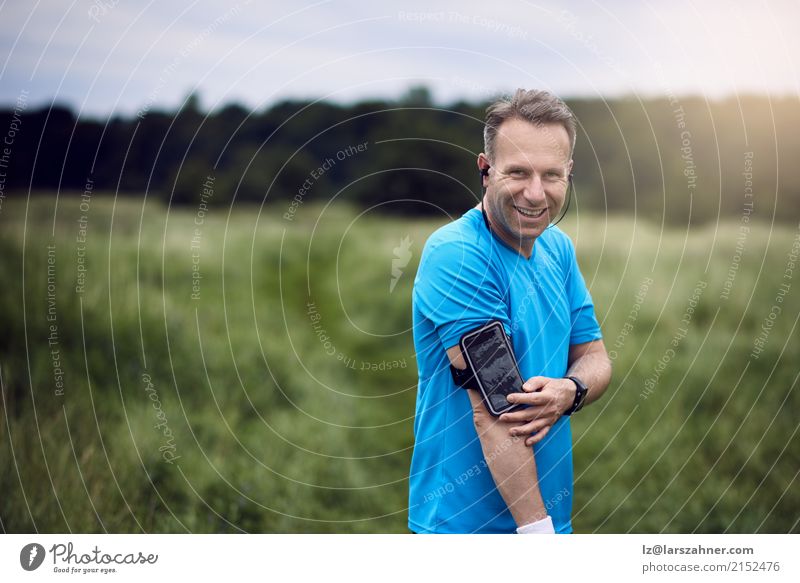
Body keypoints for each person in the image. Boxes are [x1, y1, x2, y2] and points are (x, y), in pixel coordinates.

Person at [408, 89, 612, 534]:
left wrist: (569, 390)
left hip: (545, 519)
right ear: (485, 170)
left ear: (569, 174)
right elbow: (495, 410)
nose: (535, 194)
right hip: (465, 528)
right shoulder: (457, 254)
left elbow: (595, 356)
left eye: (551, 175)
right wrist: (537, 536)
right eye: (518, 172)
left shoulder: (557, 248)